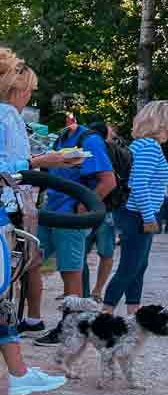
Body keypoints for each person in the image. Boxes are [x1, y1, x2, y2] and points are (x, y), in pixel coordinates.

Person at [0, 46, 82, 395]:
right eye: (30, 92)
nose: (29, 98)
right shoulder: (8, 116)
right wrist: (46, 162)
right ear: (17, 91)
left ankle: (16, 369)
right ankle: (19, 374)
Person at [32, 115, 116, 345]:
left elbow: (108, 181)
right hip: (51, 211)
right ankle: (32, 320)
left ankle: (70, 329)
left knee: (70, 270)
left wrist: (84, 205)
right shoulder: (61, 138)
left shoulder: (90, 140)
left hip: (70, 216)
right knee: (31, 261)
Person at [103, 100, 168, 314]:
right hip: (138, 213)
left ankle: (133, 314)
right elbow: (138, 184)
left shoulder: (139, 145)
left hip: (133, 211)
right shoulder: (150, 147)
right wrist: (150, 218)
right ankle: (105, 313)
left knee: (139, 266)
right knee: (130, 267)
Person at [80, 121, 127, 300]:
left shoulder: (95, 147)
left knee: (81, 253)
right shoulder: (118, 150)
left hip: (91, 208)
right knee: (106, 253)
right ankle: (97, 291)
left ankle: (83, 294)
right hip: (108, 209)